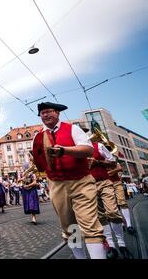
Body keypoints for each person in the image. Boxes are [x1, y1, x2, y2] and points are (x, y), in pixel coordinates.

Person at [32, 102, 106, 259]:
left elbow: (88, 149)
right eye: (42, 113)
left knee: (90, 226)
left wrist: (65, 150)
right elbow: (40, 164)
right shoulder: (38, 137)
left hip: (81, 182)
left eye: (49, 111)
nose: (45, 115)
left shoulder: (73, 128)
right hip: (56, 184)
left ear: (57, 113)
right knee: (70, 227)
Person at [85, 130, 133, 259]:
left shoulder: (98, 146)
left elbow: (112, 162)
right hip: (89, 187)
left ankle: (122, 245)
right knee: (101, 217)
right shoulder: (77, 152)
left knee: (112, 212)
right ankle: (111, 246)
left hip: (104, 182)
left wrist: (98, 163)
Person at [18, 157, 40, 225]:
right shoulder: (24, 175)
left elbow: (35, 182)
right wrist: (20, 180)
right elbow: (22, 181)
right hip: (26, 191)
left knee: (32, 203)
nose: (23, 168)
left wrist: (27, 185)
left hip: (32, 190)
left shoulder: (32, 173)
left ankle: (34, 218)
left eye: (24, 167)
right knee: (29, 204)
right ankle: (33, 217)